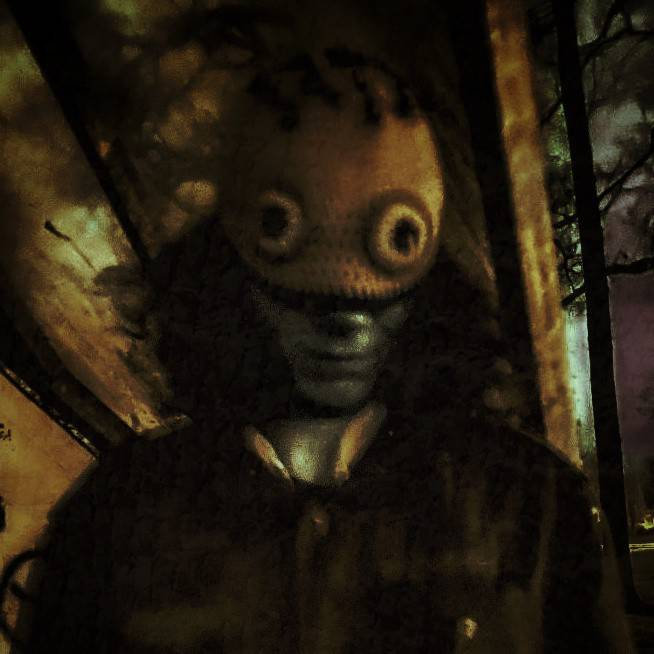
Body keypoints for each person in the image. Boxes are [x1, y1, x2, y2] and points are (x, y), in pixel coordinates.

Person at [17, 1, 633, 652]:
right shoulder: (117, 521)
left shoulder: (534, 511)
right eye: (285, 239)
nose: (345, 326)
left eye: (393, 243)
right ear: (228, 268)